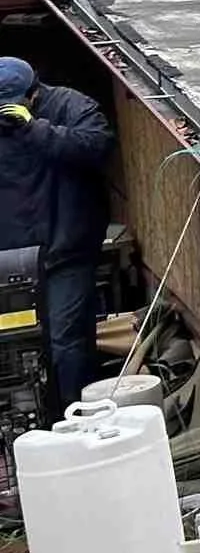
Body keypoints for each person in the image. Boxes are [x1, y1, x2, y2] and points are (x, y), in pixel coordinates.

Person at [0, 54, 117, 412]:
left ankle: (74, 415)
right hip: (12, 259)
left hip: (65, 248)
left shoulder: (68, 106)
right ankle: (32, 418)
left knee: (66, 341)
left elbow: (98, 145)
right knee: (20, 347)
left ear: (33, 93)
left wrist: (35, 129)